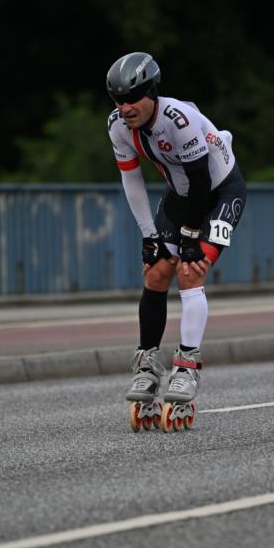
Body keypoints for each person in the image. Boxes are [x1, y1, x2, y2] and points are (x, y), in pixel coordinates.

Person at [106, 51, 247, 424]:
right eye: (118, 100)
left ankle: (186, 366)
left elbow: (202, 181)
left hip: (219, 194)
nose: (125, 107)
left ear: (152, 91)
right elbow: (131, 181)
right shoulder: (118, 127)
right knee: (154, 272)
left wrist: (189, 236)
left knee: (190, 270)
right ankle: (148, 362)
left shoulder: (178, 119)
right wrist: (149, 236)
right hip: (180, 196)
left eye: (133, 97)